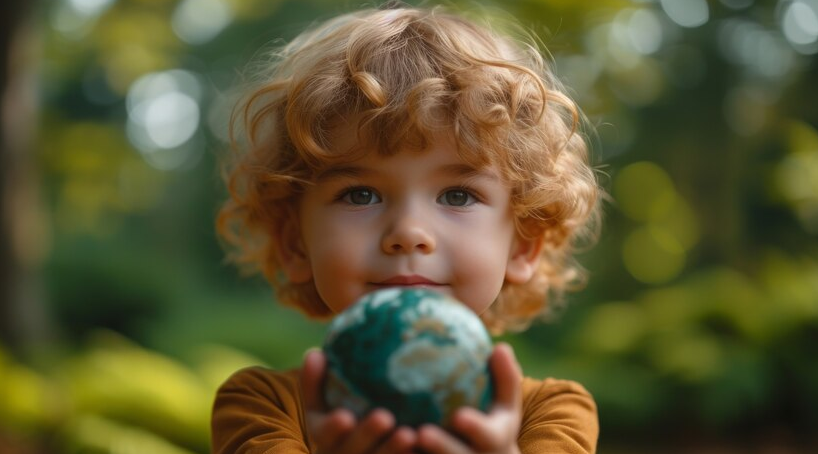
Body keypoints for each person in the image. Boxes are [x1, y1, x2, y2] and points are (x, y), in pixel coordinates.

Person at [212, 2, 601, 453]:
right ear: (295, 246)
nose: (409, 232)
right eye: (360, 194)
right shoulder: (262, 407)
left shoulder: (552, 413)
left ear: (522, 248)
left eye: (457, 195)